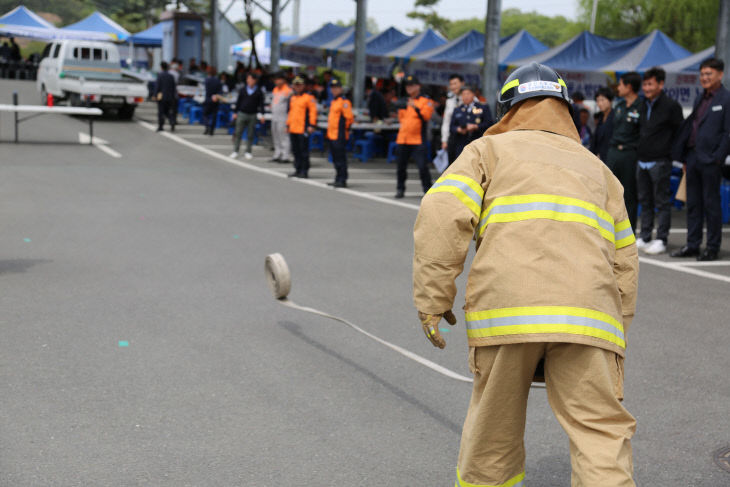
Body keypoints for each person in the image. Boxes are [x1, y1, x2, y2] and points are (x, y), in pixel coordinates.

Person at [413, 62, 638, 487]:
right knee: (600, 432)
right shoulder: (599, 171)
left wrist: (432, 299)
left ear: (508, 109)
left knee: (493, 432)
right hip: (589, 319)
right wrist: (615, 332)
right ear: (565, 109)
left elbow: (441, 214)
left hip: (508, 314)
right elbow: (625, 260)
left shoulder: (487, 151)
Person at [670, 58, 730, 261]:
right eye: (702, 74)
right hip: (693, 157)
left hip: (711, 160)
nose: (704, 78)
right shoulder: (700, 98)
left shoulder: (726, 99)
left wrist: (718, 158)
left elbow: (728, 133)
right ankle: (692, 244)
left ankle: (712, 247)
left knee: (711, 205)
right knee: (693, 204)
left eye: (709, 74)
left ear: (720, 75)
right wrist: (686, 156)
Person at [635, 67, 684, 255]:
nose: (646, 88)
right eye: (644, 84)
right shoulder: (641, 105)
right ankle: (645, 235)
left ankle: (661, 239)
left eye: (650, 84)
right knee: (645, 200)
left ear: (661, 84)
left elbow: (680, 134)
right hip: (642, 161)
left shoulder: (671, 106)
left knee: (662, 201)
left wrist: (671, 156)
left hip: (660, 161)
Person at [606, 72, 643, 230]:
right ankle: (608, 228)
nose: (618, 88)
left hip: (629, 154)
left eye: (620, 84)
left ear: (629, 87)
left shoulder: (641, 106)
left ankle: (630, 231)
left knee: (629, 195)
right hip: (614, 152)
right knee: (609, 192)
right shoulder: (619, 106)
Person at [394, 75, 434, 198]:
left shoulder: (425, 100)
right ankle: (400, 189)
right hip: (403, 138)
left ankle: (428, 189)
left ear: (418, 86)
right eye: (407, 86)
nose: (409, 88)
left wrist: (415, 107)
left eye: (412, 85)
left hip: (417, 139)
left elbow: (426, 117)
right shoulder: (403, 101)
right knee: (401, 167)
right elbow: (401, 118)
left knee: (422, 166)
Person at [448, 85, 493, 161]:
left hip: (478, 143)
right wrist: (458, 129)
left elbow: (489, 124)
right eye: (463, 94)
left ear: (473, 94)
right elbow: (452, 127)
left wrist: (476, 126)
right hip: (461, 145)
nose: (466, 96)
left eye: (468, 94)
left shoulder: (482, 107)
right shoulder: (457, 110)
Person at [286, 76, 317, 178]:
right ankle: (297, 169)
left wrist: (312, 125)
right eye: (296, 85)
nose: (297, 87)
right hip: (293, 128)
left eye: (299, 85)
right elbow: (290, 113)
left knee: (303, 151)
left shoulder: (309, 98)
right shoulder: (292, 98)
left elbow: (313, 112)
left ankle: (304, 170)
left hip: (303, 128)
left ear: (304, 86)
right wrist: (288, 125)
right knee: (295, 150)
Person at [326, 78, 354, 188]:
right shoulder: (334, 102)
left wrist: (344, 131)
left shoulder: (344, 102)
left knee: (341, 158)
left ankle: (342, 179)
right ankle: (337, 177)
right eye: (332, 88)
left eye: (336, 88)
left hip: (339, 134)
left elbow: (349, 118)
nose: (334, 90)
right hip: (332, 134)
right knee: (335, 158)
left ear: (341, 89)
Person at [230, 72, 265, 160]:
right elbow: (238, 102)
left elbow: (261, 104)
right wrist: (235, 112)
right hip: (242, 113)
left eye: (251, 79)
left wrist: (262, 114)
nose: (249, 81)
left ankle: (248, 151)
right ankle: (235, 150)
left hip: (253, 114)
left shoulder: (258, 91)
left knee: (250, 134)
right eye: (248, 79)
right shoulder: (243, 90)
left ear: (255, 80)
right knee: (238, 133)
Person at [441, 73, 464, 163]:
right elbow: (446, 122)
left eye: (455, 83)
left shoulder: (473, 100)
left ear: (462, 83)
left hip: (468, 137)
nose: (453, 86)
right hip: (453, 137)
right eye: (451, 84)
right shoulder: (449, 101)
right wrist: (444, 140)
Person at [270, 71, 292, 163]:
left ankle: (285, 155)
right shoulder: (275, 89)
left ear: (283, 80)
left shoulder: (288, 90)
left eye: (278, 79)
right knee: (275, 134)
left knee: (283, 136)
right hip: (275, 115)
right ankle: (277, 153)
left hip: (283, 116)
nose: (276, 81)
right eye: (276, 79)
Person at [591, 87, 615, 161]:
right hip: (599, 158)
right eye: (597, 100)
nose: (599, 103)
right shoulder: (600, 117)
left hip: (611, 158)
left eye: (602, 100)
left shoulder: (615, 117)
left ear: (610, 101)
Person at [154, 61, 177, 132]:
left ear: (161, 67)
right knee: (167, 111)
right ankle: (172, 122)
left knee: (161, 112)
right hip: (170, 97)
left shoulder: (160, 75)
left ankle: (161, 126)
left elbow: (158, 87)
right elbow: (174, 87)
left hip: (161, 97)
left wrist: (155, 95)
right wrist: (173, 96)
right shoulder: (171, 76)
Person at [202, 66, 222, 136]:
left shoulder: (207, 80)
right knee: (214, 115)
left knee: (205, 114)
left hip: (208, 99)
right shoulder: (218, 80)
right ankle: (212, 130)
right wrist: (216, 96)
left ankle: (207, 126)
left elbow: (205, 90)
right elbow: (220, 91)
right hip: (216, 99)